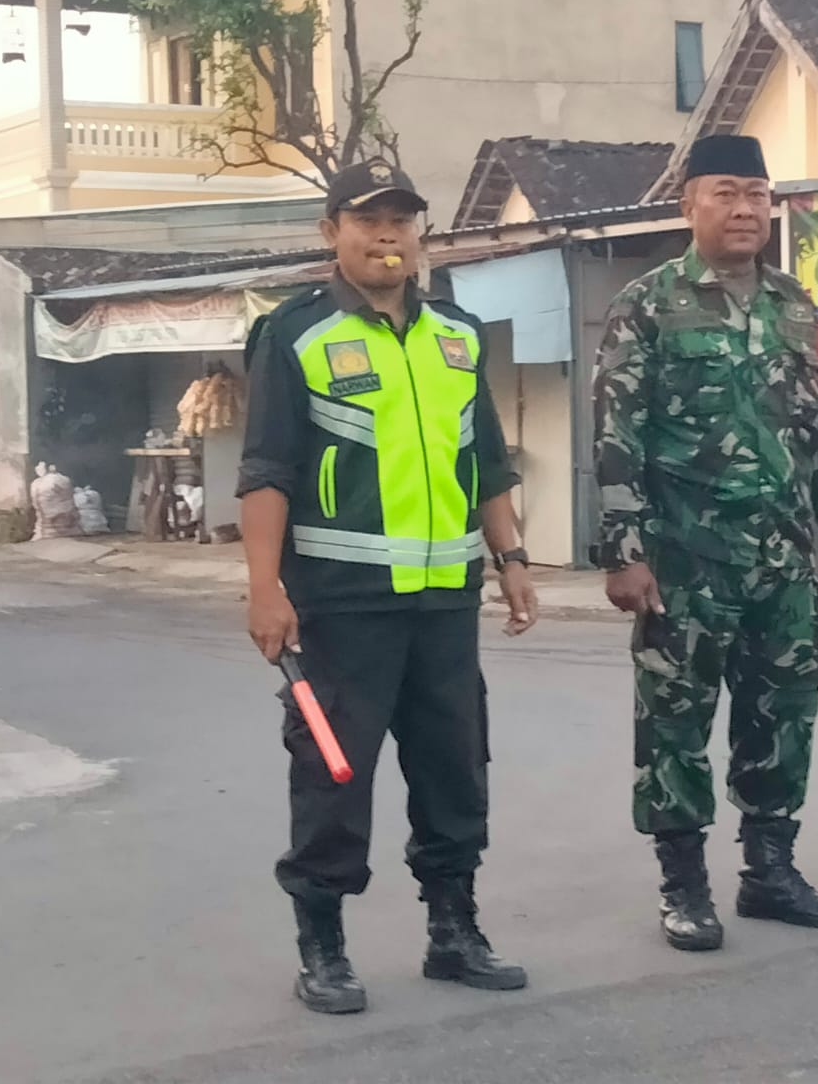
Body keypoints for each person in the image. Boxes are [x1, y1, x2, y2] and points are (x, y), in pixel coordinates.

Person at [237, 158, 539, 1014]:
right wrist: (265, 589)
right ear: (332, 232)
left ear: (420, 233)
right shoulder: (295, 333)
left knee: (454, 768)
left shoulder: (457, 333)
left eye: (402, 220)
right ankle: (323, 946)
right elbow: (266, 469)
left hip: (447, 600)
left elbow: (485, 459)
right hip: (341, 600)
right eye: (368, 220)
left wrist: (511, 559)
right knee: (334, 776)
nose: (387, 235)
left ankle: (454, 931)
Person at [592, 134, 818, 952]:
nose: (746, 209)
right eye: (726, 192)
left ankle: (770, 873)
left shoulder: (795, 306)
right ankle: (684, 886)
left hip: (782, 560)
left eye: (758, 193)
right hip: (683, 560)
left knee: (783, 717)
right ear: (689, 204)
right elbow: (616, 435)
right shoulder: (647, 303)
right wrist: (623, 549)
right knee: (675, 724)